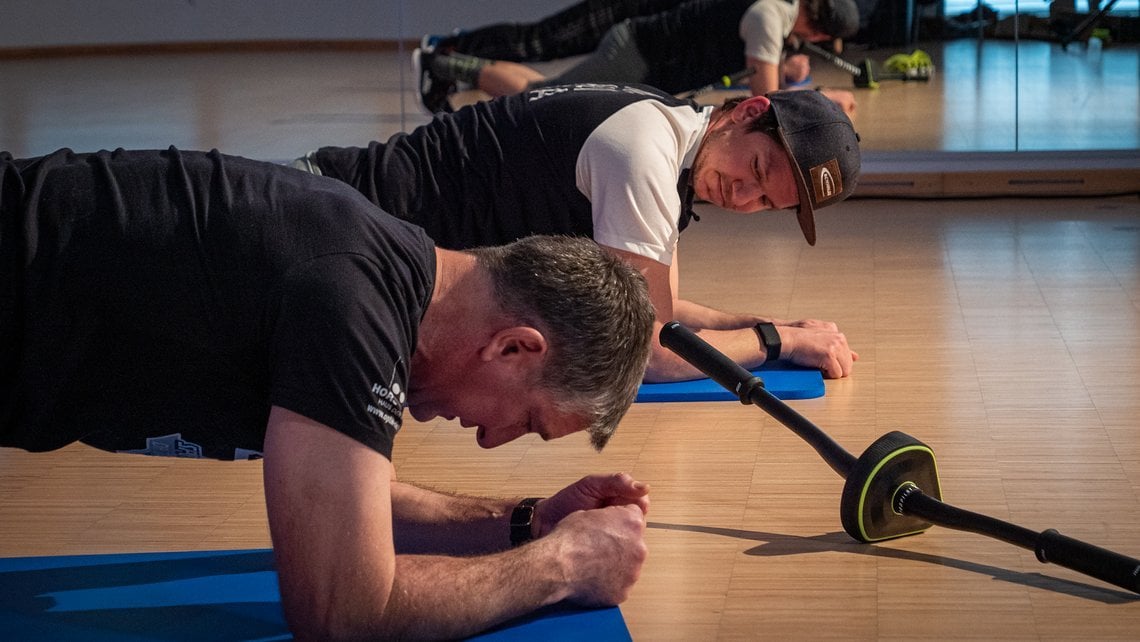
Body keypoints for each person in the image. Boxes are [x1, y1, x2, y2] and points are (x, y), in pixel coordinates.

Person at [0, 147, 657, 639]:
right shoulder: (354, 303)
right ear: (514, 346)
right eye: (529, 421)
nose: (492, 439)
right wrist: (562, 564)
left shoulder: (379, 280)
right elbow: (341, 610)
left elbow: (343, 500)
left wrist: (525, 524)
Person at [294, 83, 861, 383]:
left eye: (764, 201)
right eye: (757, 171)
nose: (742, 198)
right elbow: (646, 352)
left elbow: (655, 316)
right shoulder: (645, 154)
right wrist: (778, 344)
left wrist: (766, 324)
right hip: (323, 226)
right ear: (748, 111)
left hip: (351, 240)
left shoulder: (674, 140)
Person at [415, 0, 860, 115]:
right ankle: (443, 64)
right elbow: (767, 102)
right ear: (819, 29)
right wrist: (822, 100)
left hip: (648, 61)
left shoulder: (776, 16)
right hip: (636, 56)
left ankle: (445, 65)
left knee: (545, 92)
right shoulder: (770, 15)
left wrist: (782, 65)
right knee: (542, 98)